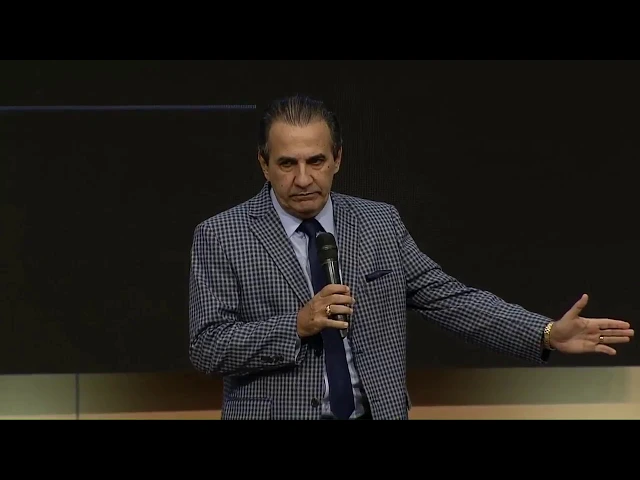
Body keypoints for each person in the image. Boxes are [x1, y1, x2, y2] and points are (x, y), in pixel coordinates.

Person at [188, 94, 634, 420]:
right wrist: (297, 325)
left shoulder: (379, 223)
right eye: (287, 164)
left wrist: (546, 332)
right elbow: (208, 347)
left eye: (316, 161)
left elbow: (451, 300)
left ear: (337, 159)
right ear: (264, 164)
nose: (303, 179)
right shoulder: (222, 235)